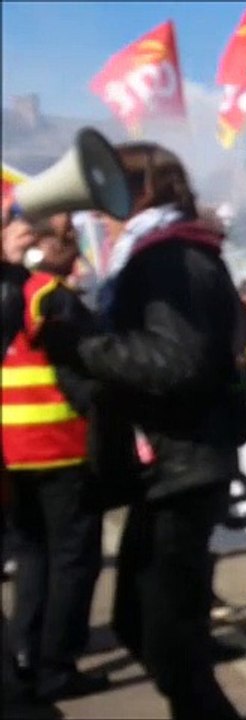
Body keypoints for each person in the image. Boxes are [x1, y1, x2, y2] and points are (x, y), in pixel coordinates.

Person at [48, 142, 246, 720]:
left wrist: (84, 343)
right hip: (171, 464)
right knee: (144, 625)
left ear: (143, 191)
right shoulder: (167, 252)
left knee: (165, 635)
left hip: (182, 465)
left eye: (108, 186)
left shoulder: (169, 258)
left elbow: (173, 362)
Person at [1, 211, 106, 703]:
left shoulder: (15, 293)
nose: (74, 246)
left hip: (13, 449)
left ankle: (24, 653)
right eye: (65, 239)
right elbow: (85, 369)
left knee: (33, 555)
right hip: (59, 444)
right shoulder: (49, 295)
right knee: (72, 559)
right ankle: (57, 667)